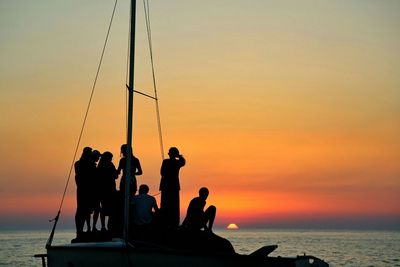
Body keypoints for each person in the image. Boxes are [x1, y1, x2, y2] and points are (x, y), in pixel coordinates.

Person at [159, 147, 186, 228]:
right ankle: (170, 222)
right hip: (171, 186)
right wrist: (179, 156)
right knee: (171, 204)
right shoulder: (174, 162)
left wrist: (179, 156)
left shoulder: (168, 162)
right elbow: (183, 162)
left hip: (169, 186)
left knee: (168, 204)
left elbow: (162, 173)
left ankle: (169, 222)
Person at [74, 146, 96, 238]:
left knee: (83, 210)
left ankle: (81, 230)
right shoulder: (89, 164)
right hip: (86, 189)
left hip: (82, 188)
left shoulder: (78, 163)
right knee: (84, 210)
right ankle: (82, 230)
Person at [96, 151, 118, 232]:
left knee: (104, 208)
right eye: (111, 157)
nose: (111, 159)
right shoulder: (110, 165)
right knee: (110, 208)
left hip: (102, 190)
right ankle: (108, 226)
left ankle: (103, 227)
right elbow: (115, 175)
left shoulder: (100, 166)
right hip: (109, 189)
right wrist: (114, 174)